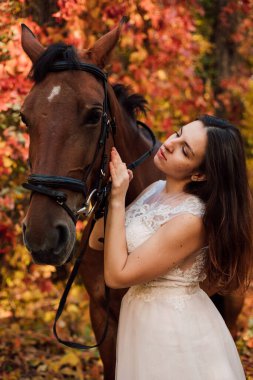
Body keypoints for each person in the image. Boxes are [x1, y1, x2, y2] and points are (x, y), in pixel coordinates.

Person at [104, 115, 253, 380]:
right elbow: (99, 241)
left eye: (185, 150)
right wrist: (106, 190)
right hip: (140, 320)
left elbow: (117, 276)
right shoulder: (155, 189)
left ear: (199, 174)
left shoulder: (192, 219)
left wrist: (118, 199)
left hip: (171, 330)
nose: (170, 143)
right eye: (178, 133)